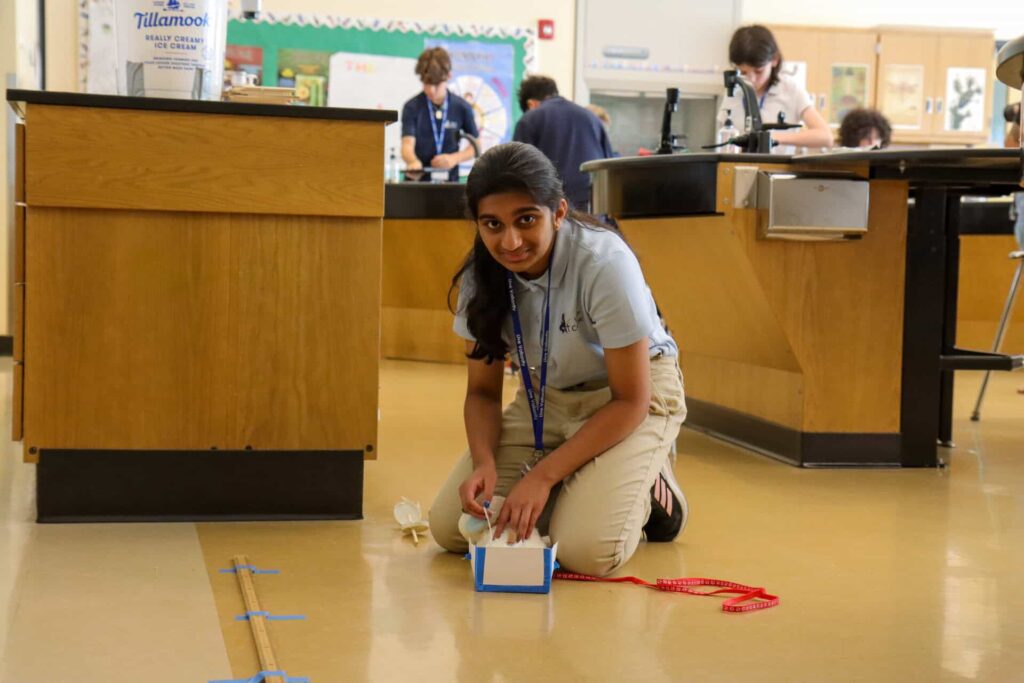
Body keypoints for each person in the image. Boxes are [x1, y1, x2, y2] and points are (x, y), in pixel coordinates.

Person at [428, 142, 687, 577]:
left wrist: (542, 478)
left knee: (588, 552)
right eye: (492, 225)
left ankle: (656, 487)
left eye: (526, 219)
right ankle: (589, 479)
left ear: (559, 212)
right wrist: (485, 461)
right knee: (453, 529)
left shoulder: (605, 263)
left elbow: (631, 400)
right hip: (547, 399)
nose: (509, 242)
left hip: (628, 399)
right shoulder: (481, 277)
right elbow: (482, 393)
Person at [719, 25, 834, 153]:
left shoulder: (790, 89)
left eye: (759, 71)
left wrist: (771, 138)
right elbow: (720, 136)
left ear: (774, 59)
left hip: (777, 170)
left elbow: (826, 137)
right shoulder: (734, 90)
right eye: (743, 72)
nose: (751, 79)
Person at [512, 76, 613, 210]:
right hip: (592, 207)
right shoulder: (591, 117)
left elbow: (517, 172)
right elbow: (608, 164)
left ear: (531, 104)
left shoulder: (530, 119)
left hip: (550, 209)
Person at [400, 47, 479, 181]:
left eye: (436, 84)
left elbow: (475, 145)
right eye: (426, 83)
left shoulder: (462, 107)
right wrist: (412, 161)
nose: (430, 90)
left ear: (448, 76)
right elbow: (407, 144)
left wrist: (454, 158)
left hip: (449, 183)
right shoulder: (411, 107)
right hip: (418, 182)